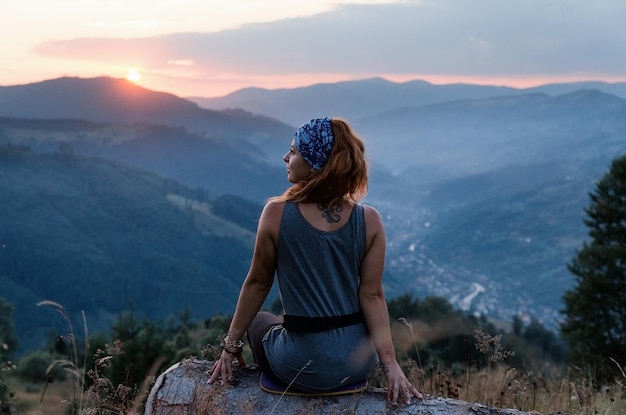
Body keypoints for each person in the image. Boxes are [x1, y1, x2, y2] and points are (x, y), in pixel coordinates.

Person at [208, 117, 422, 405]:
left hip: (300, 366)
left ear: (315, 163)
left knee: (260, 321)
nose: (286, 157)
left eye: (294, 151)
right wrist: (391, 365)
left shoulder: (276, 214)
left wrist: (230, 346)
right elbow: (372, 295)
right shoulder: (370, 220)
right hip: (356, 363)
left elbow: (258, 283)